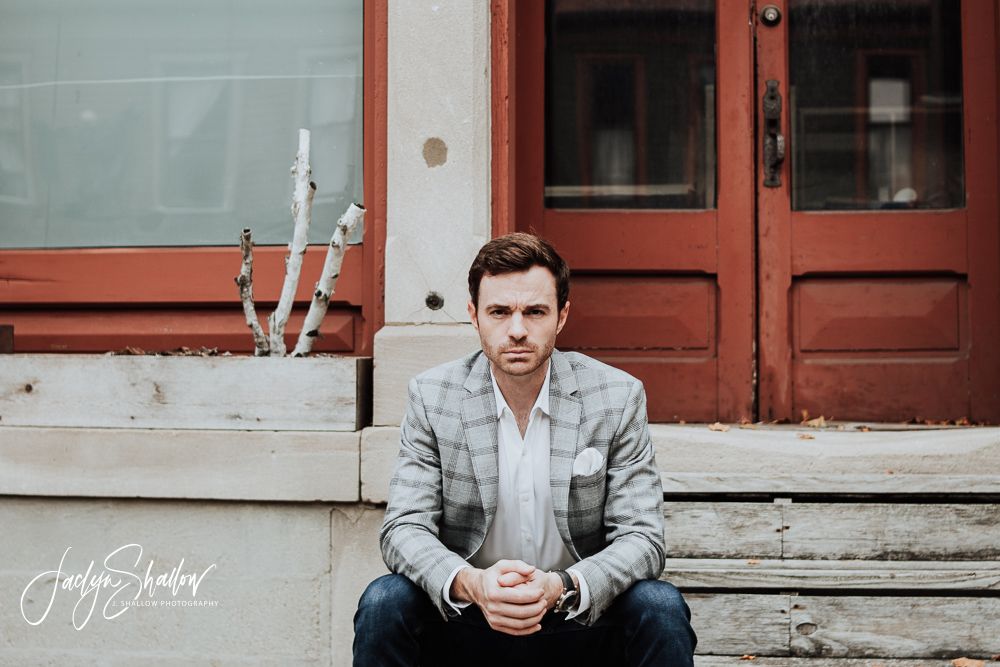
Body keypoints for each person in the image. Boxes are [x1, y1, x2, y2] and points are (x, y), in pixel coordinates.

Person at [354, 233, 696, 666]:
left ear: (562, 316)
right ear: (474, 315)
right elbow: (404, 527)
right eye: (499, 312)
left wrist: (562, 586)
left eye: (535, 312)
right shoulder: (433, 396)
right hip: (470, 620)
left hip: (578, 619)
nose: (517, 330)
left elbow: (642, 538)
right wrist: (473, 584)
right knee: (385, 600)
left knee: (659, 605)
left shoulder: (615, 397)